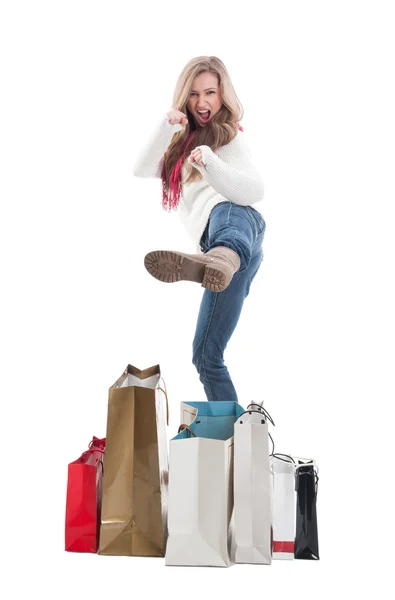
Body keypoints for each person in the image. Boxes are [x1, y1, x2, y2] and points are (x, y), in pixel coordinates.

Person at [132, 56, 266, 403]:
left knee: (224, 213)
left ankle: (219, 259)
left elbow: (253, 192)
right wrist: (166, 126)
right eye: (193, 94)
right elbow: (142, 168)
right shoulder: (178, 141)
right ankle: (234, 439)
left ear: (223, 95)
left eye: (210, 92)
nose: (202, 102)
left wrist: (209, 161)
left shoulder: (227, 136)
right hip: (220, 253)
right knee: (206, 355)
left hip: (239, 225)